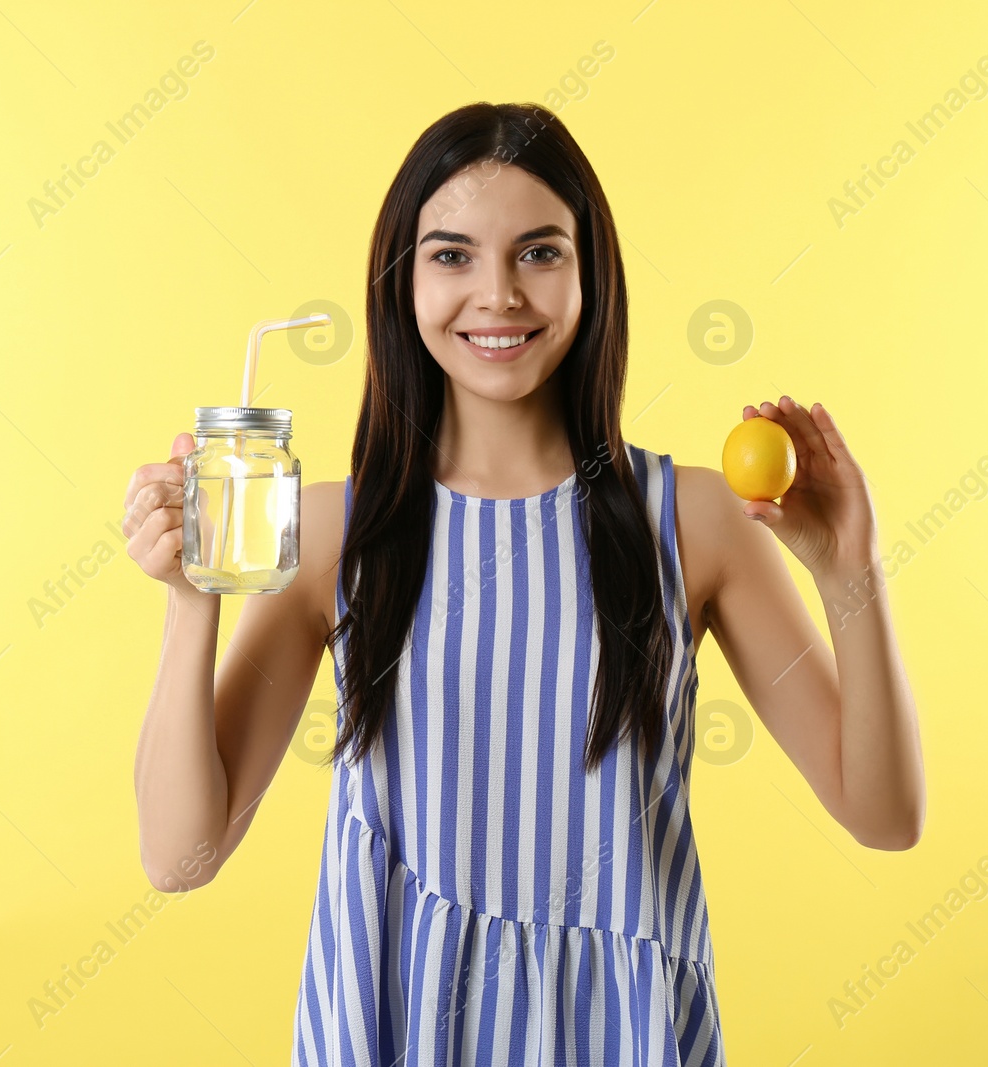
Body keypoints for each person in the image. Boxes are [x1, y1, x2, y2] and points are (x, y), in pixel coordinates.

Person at [124, 101, 924, 1066]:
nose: (497, 294)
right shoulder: (335, 532)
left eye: (539, 253)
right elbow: (180, 857)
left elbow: (884, 816)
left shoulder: (696, 522)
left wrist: (852, 576)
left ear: (593, 274)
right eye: (452, 255)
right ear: (402, 282)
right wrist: (191, 599)